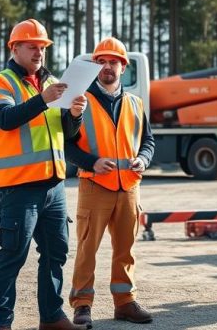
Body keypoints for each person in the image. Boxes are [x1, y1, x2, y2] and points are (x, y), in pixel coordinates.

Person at [0, 18, 89, 330]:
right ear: (14, 48)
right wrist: (44, 100)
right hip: (19, 188)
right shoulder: (0, 83)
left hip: (53, 186)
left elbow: (67, 135)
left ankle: (52, 317)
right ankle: (1, 324)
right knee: (13, 256)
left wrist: (75, 115)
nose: (39, 51)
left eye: (42, 46)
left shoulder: (53, 83)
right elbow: (5, 118)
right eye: (32, 45)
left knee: (56, 252)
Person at [65, 37, 156, 328]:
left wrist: (144, 158)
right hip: (95, 185)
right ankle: (82, 305)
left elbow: (148, 141)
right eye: (101, 62)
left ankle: (125, 302)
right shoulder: (81, 101)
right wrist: (91, 162)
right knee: (87, 248)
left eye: (113, 62)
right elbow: (65, 144)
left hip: (129, 186)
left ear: (123, 67)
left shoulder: (135, 102)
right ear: (95, 67)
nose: (107, 67)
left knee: (126, 248)